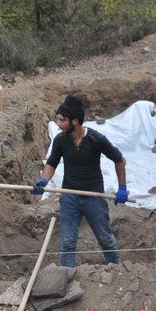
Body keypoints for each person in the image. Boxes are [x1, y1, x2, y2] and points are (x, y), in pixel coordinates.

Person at [32, 95, 128, 267]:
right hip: (70, 196)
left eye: (62, 120)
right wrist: (43, 180)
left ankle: (117, 270)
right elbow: (52, 163)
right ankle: (65, 276)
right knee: (67, 243)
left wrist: (122, 188)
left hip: (94, 196)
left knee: (105, 239)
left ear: (75, 121)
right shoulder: (60, 140)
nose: (59, 124)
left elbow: (119, 159)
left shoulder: (96, 139)